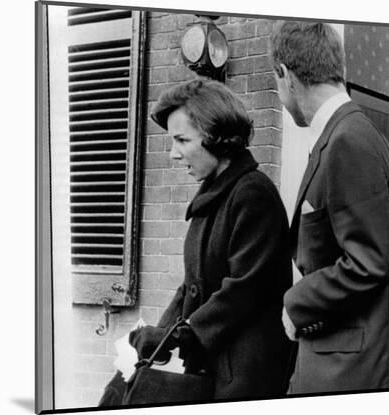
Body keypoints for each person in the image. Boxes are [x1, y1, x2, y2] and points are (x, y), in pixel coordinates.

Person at [270, 21, 389, 393]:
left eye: (276, 83)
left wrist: (296, 302)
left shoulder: (347, 140)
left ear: (286, 75)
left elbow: (368, 263)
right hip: (340, 360)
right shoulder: (349, 133)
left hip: (350, 369)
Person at [127, 79, 293, 400]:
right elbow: (192, 285)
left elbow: (246, 287)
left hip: (246, 372)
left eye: (181, 140)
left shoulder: (252, 193)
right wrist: (164, 331)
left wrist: (184, 335)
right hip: (214, 365)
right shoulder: (213, 195)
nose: (174, 155)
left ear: (216, 138)